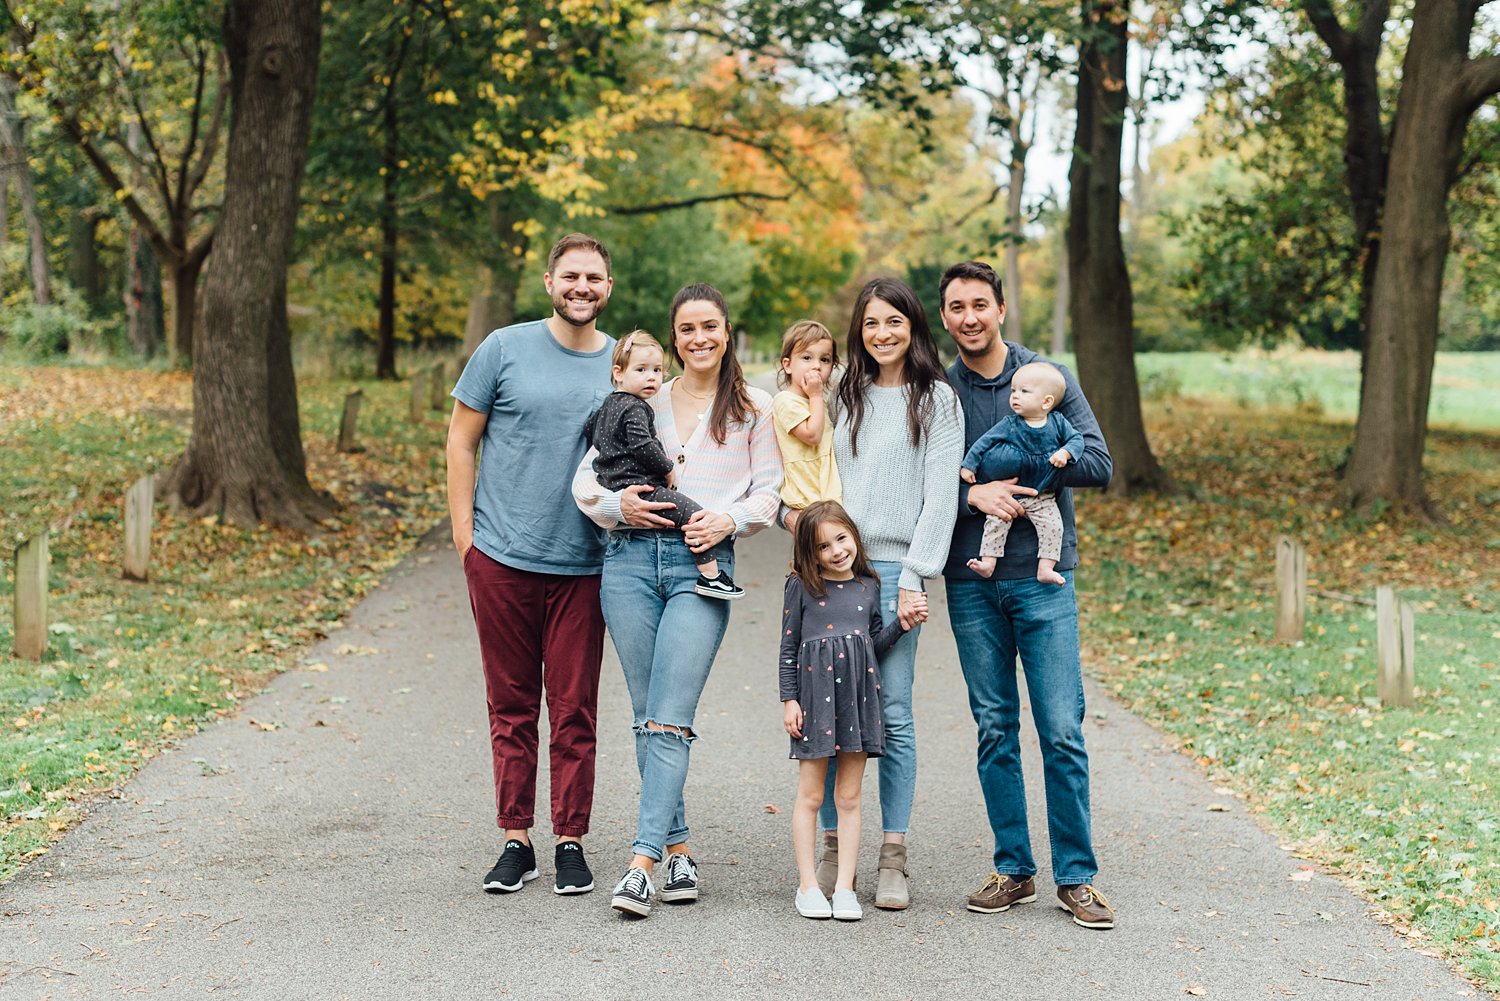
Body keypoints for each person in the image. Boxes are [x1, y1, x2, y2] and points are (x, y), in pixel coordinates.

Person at [573, 283, 782, 918]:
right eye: (687, 328)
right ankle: (680, 847)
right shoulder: (642, 394)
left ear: (727, 331)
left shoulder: (754, 407)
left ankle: (641, 861)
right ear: (673, 336)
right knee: (647, 711)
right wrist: (617, 505)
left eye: (710, 327)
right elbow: (588, 478)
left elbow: (770, 493)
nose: (699, 339)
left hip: (702, 567)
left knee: (670, 712)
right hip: (630, 563)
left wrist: (728, 521)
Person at [937, 259, 1117, 930]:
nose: (969, 317)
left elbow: (1099, 461)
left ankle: (1078, 877)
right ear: (947, 316)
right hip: (971, 581)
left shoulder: (1046, 379)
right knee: (994, 728)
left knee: (1062, 729)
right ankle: (1014, 868)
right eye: (956, 307)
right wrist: (970, 494)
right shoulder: (940, 391)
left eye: (979, 303)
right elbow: (922, 480)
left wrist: (1041, 477)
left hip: (1044, 578)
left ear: (1002, 308)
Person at [446, 232, 616, 898]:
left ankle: (569, 837)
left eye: (594, 277)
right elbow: (462, 441)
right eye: (570, 275)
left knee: (575, 709)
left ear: (608, 287)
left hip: (586, 567)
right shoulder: (503, 349)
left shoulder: (621, 364)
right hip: (502, 560)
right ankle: (516, 837)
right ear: (549, 281)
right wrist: (467, 539)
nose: (581, 286)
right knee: (511, 705)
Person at [798, 277, 964, 911]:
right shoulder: (845, 394)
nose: (883, 333)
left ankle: (892, 854)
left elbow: (940, 494)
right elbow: (807, 453)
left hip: (895, 571)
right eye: (871, 323)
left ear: (914, 327)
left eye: (894, 321)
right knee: (832, 710)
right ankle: (836, 850)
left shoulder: (937, 400)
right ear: (857, 332)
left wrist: (917, 573)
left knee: (891, 713)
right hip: (835, 570)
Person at [780, 501, 921, 921]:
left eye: (841, 538)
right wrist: (789, 698)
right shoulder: (802, 587)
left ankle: (844, 888)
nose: (837, 551)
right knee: (810, 794)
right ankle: (808, 886)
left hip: (858, 703)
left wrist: (903, 624)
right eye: (823, 546)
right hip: (814, 703)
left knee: (849, 796)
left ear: (854, 537)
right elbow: (788, 647)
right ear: (811, 553)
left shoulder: (868, 586)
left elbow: (872, 646)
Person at [584, 331, 743, 599]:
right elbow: (642, 445)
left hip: (612, 484)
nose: (651, 377)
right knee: (693, 515)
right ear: (618, 372)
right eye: (641, 369)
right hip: (640, 485)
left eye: (657, 370)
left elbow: (590, 429)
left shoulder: (608, 404)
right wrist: (667, 468)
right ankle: (711, 576)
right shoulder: (637, 407)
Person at [958, 361, 1086, 584]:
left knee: (1053, 526)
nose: (1015, 396)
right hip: (1008, 495)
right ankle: (988, 563)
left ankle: (1045, 568)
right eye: (1013, 391)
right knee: (995, 522)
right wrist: (969, 465)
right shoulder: (1010, 424)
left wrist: (1065, 454)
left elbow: (1077, 439)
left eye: (1024, 392)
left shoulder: (1057, 423)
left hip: (1041, 495)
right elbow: (984, 442)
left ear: (1046, 401)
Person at [771, 320, 841, 509]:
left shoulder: (820, 403)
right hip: (806, 494)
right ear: (787, 365)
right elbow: (812, 435)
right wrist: (816, 395)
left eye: (825, 360)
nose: (816, 366)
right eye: (807, 358)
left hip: (824, 491)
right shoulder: (785, 401)